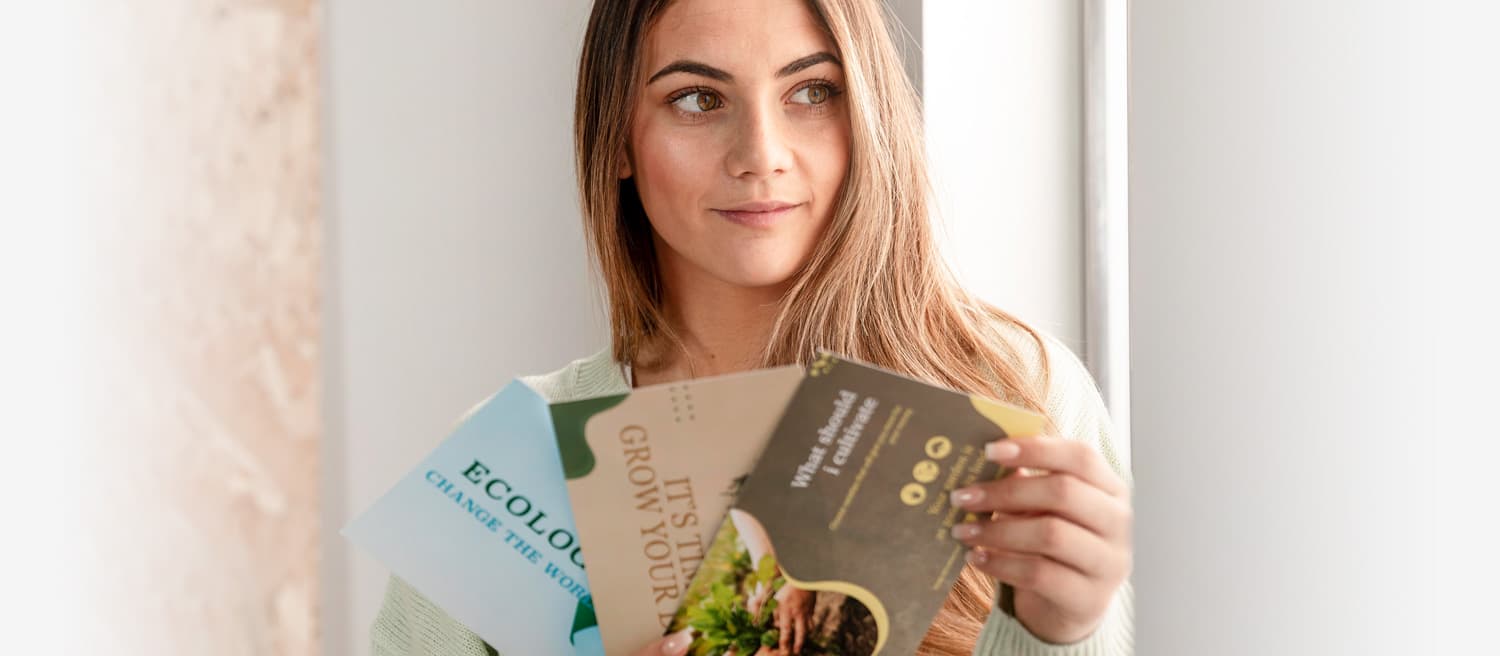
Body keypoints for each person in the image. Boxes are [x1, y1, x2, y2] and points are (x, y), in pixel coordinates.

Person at [371, 0, 1133, 654]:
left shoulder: (1013, 390)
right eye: (697, 100)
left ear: (865, 115)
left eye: (812, 91)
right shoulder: (508, 459)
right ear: (617, 141)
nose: (761, 156)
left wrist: (1061, 630)